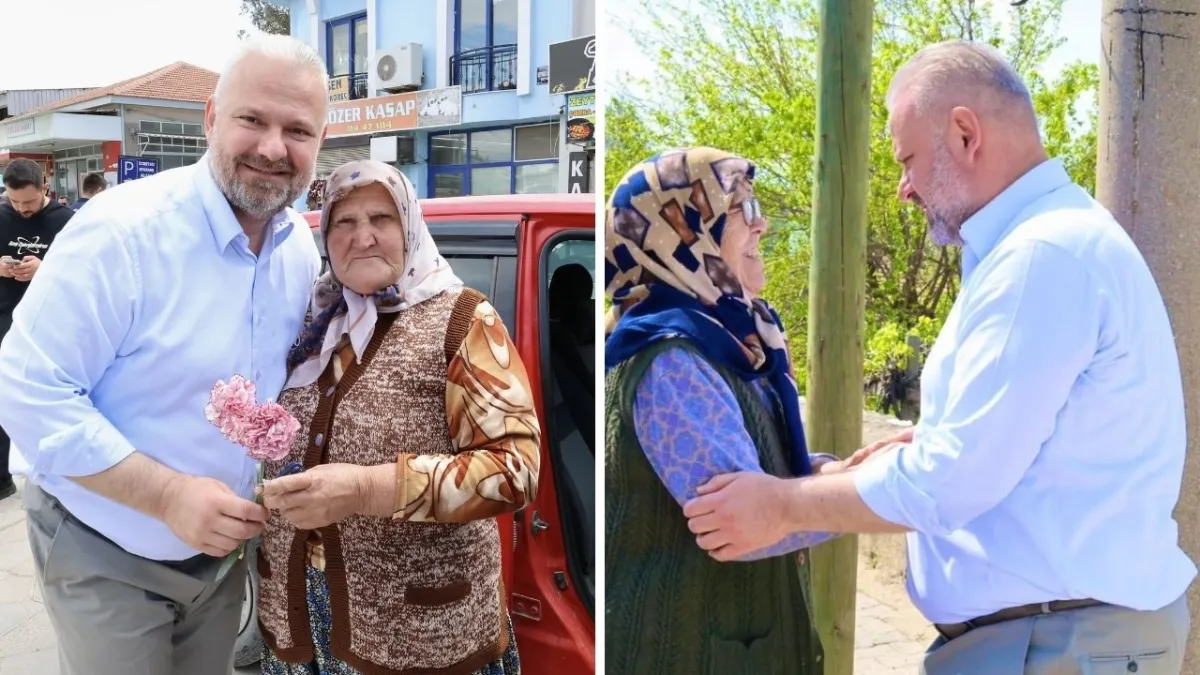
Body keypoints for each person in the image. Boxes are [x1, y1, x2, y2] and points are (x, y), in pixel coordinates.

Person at [683, 41, 1196, 674]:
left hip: (1055, 641)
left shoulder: (1041, 258)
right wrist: (920, 443)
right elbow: (1023, 440)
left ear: (963, 134)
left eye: (908, 160)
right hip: (1051, 636)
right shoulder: (1049, 243)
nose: (903, 189)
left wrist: (778, 506)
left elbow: (953, 481)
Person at [0, 34, 327, 675]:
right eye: (251, 119)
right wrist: (169, 497)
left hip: (221, 561)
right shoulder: (122, 233)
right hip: (106, 547)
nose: (272, 147)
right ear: (210, 118)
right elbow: (26, 389)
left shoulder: (297, 251)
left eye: (298, 130)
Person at [602, 147, 878, 674]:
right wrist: (883, 492)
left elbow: (759, 471)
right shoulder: (672, 358)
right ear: (682, 235)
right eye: (744, 211)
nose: (763, 225)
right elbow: (742, 521)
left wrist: (834, 473)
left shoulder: (733, 339)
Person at [257, 160, 539, 675]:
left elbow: (515, 470)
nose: (362, 237)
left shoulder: (463, 320)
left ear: (409, 226)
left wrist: (366, 489)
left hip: (418, 639)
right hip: (301, 621)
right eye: (344, 221)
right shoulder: (311, 325)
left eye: (381, 219)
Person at [0, 159, 74, 501]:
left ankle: (56, 476)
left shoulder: (67, 221)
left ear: (44, 188)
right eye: (14, 202)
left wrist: (44, 269)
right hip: (5, 316)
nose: (21, 209)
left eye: (28, 202)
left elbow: (82, 272)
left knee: (46, 400)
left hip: (49, 324)